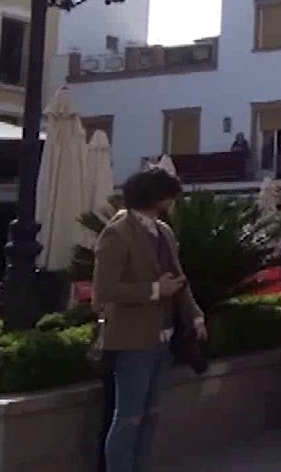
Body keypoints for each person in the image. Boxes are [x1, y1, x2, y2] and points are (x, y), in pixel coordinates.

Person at [93, 169, 206, 472]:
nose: (172, 201)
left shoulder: (164, 232)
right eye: (169, 195)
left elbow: (179, 278)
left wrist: (194, 315)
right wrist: (155, 290)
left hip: (164, 338)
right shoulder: (117, 233)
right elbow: (103, 291)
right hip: (132, 340)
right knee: (128, 417)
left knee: (151, 414)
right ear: (156, 196)